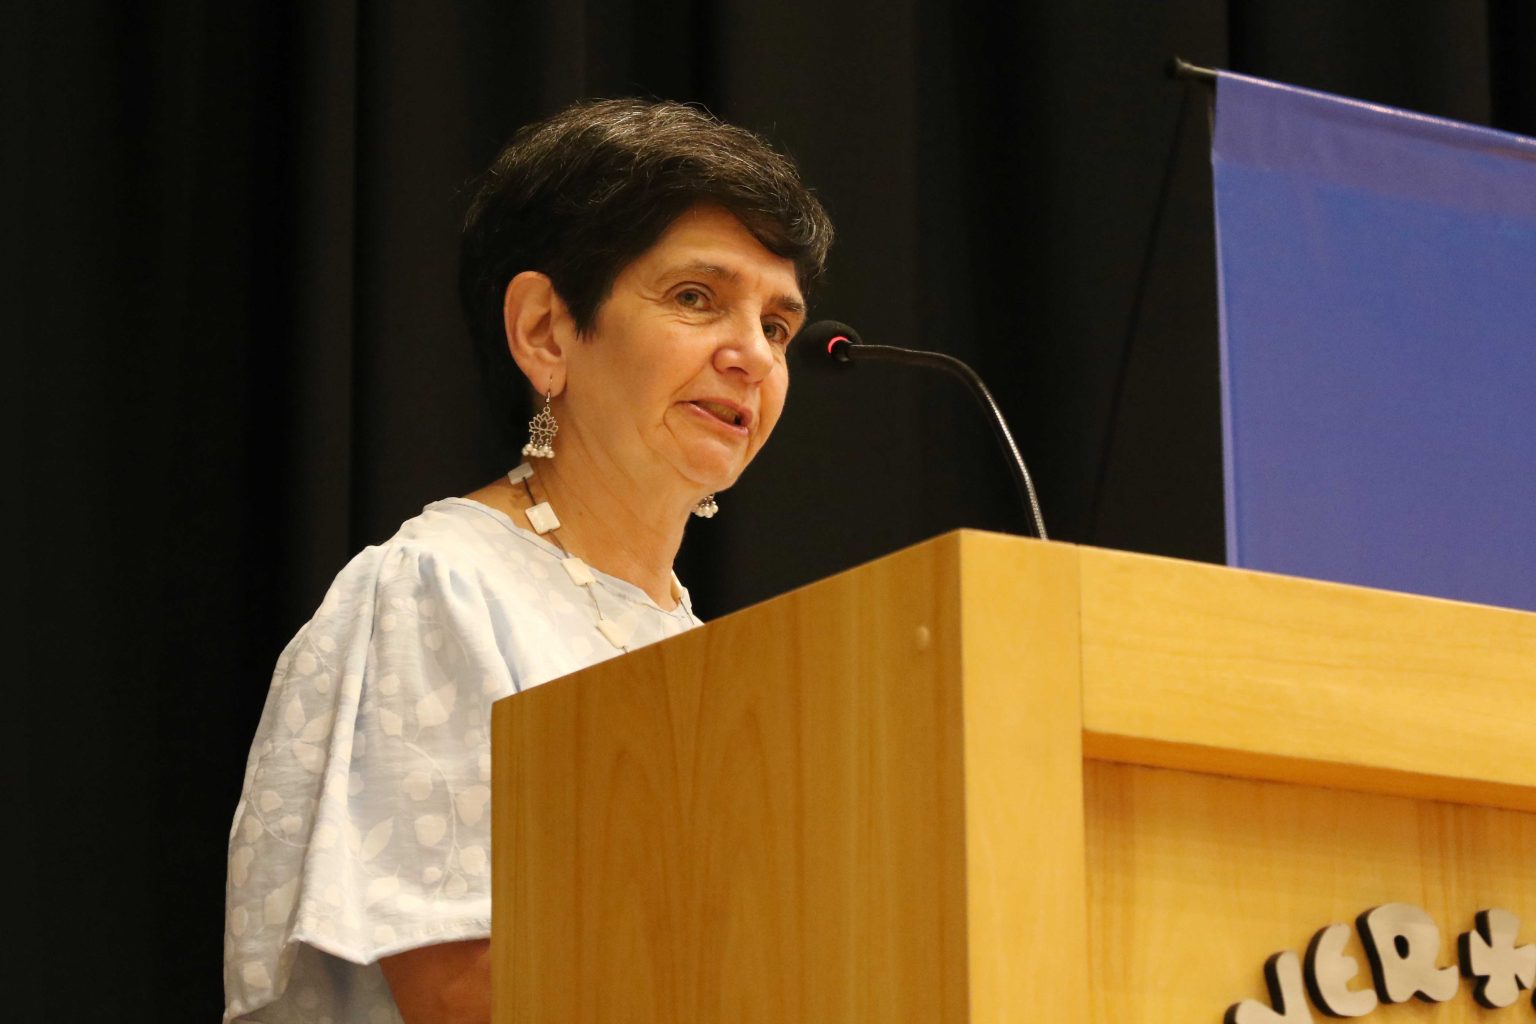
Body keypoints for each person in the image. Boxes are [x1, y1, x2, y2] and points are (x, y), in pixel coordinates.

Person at [223, 98, 833, 1024]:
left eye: (779, 326)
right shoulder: (441, 589)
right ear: (546, 331)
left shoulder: (698, 643)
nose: (752, 354)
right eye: (695, 298)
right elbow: (463, 997)